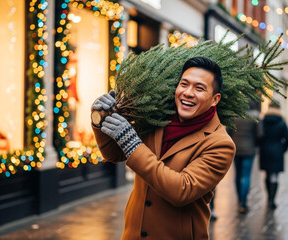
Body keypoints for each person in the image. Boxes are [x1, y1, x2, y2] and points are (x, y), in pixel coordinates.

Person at [91, 57, 235, 239]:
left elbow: (182, 190)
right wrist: (100, 118)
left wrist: (132, 143)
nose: (188, 93)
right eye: (184, 84)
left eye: (199, 88)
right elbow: (114, 154)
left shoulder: (220, 144)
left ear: (215, 99)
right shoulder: (157, 117)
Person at [229, 100, 260, 213]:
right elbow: (260, 134)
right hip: (249, 150)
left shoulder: (234, 116)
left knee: (237, 174)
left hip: (236, 149)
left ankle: (239, 198)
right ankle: (243, 202)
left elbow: (229, 132)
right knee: (246, 176)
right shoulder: (255, 117)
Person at [259, 102, 288, 209]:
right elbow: (287, 138)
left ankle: (268, 196)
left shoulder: (263, 120)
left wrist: (261, 146)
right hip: (277, 149)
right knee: (275, 175)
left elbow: (260, 135)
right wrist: (283, 149)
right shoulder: (281, 121)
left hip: (265, 149)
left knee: (267, 174)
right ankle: (273, 198)